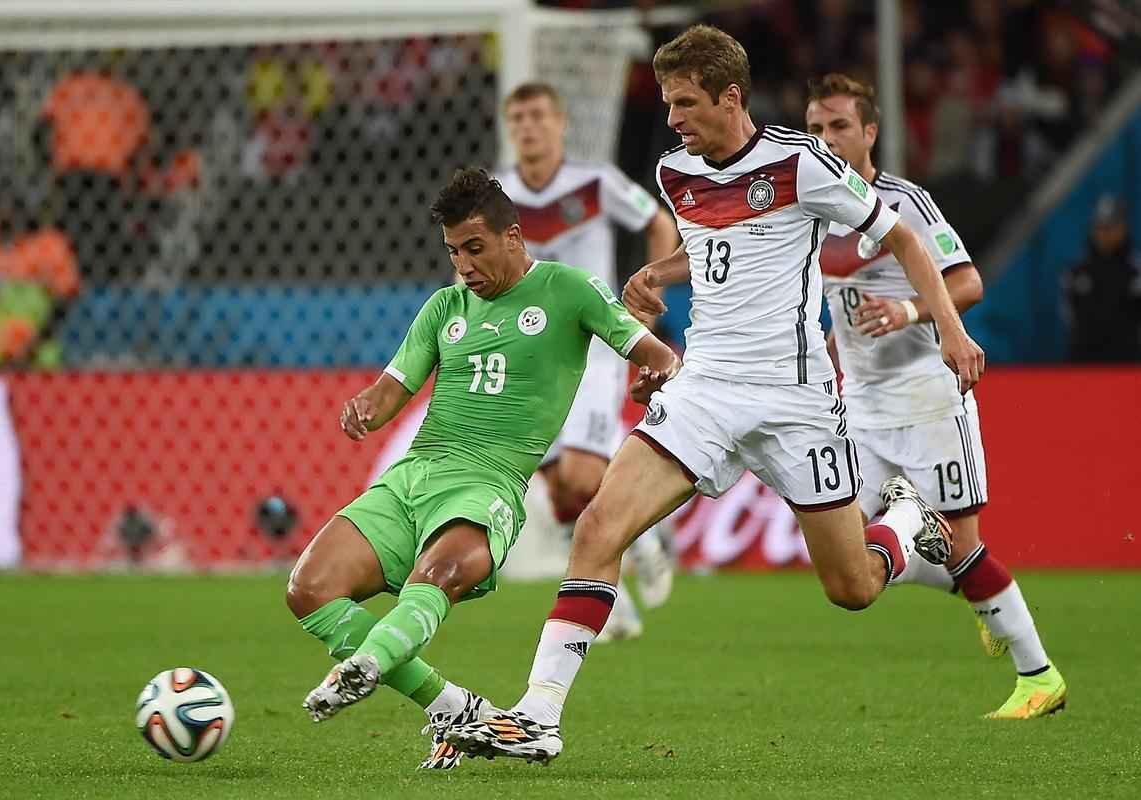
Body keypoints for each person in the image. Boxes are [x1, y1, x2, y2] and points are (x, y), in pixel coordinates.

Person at [444, 24, 985, 764]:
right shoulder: (675, 172)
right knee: (599, 526)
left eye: (686, 103)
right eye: (668, 103)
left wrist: (949, 329)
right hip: (705, 388)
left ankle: (902, 521)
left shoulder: (802, 163)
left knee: (852, 587)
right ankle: (538, 714)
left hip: (795, 399)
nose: (671, 118)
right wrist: (654, 275)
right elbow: (711, 248)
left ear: (731, 97)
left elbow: (903, 240)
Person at [284, 167, 679, 769]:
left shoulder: (569, 290)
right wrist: (365, 407)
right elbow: (392, 389)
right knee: (308, 589)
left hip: (488, 483)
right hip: (415, 476)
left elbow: (657, 354)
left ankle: (365, 665)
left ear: (512, 237)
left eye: (474, 248)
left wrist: (655, 374)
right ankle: (453, 706)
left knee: (438, 574)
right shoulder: (445, 306)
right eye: (453, 252)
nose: (464, 265)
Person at [806, 73, 1066, 719]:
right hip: (861, 407)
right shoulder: (814, 211)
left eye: (839, 126)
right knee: (850, 553)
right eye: (814, 128)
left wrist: (909, 310)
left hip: (927, 399)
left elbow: (968, 282)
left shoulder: (905, 203)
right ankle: (978, 594)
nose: (826, 139)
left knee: (959, 547)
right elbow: (840, 306)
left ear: (870, 132)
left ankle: (1039, 677)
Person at [497, 81, 681, 640]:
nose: (528, 127)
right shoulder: (496, 195)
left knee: (581, 474)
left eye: (538, 116)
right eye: (518, 118)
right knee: (559, 490)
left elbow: (659, 224)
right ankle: (615, 601)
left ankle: (644, 539)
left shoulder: (595, 182)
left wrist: (649, 298)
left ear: (560, 123)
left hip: (594, 347)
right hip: (530, 356)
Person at [1063, 194, 1141, 362]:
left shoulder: (1135, 272)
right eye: (1099, 227)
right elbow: (1070, 317)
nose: (1104, 233)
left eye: (1110, 227)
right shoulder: (1077, 272)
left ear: (1122, 228)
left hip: (1126, 364)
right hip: (1085, 364)